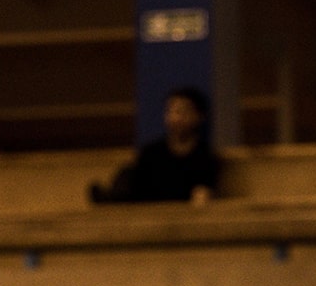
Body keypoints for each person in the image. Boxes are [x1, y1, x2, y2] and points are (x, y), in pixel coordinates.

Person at [89, 86, 221, 205]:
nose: (175, 118)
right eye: (171, 111)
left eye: (183, 112)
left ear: (198, 116)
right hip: (143, 213)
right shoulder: (151, 153)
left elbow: (201, 197)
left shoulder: (204, 157)